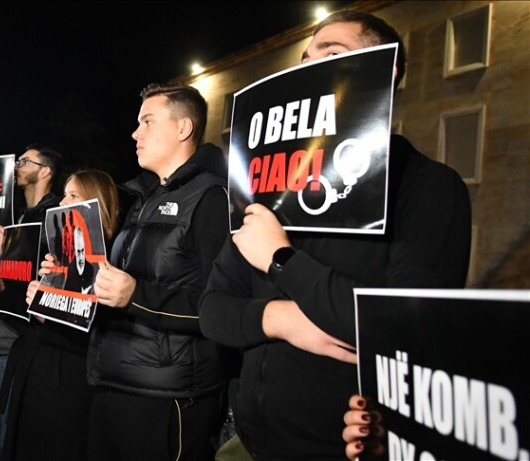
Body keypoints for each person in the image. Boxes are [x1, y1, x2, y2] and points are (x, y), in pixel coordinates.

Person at [198, 10, 472, 460]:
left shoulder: (427, 186)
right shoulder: (269, 192)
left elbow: (407, 332)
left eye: (332, 54)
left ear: (385, 73)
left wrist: (282, 260)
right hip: (246, 442)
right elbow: (212, 311)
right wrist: (282, 320)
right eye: (304, 59)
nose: (308, 68)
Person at [86, 83, 230, 461]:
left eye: (147, 121)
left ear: (184, 129)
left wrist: (136, 295)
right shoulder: (142, 201)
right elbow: (114, 287)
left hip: (169, 396)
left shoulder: (212, 199)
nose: (135, 133)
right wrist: (65, 284)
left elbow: (219, 307)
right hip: (111, 380)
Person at [0, 169, 119, 461]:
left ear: (96, 202)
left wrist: (46, 313)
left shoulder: (111, 260)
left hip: (65, 389)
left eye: (73, 195)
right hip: (32, 374)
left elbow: (96, 336)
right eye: (64, 194)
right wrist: (8, 294)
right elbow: (26, 322)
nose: (62, 202)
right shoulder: (55, 255)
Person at [0, 143, 62, 461]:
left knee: (8, 439)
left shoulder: (54, 218)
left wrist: (16, 251)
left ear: (45, 171)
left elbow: (49, 283)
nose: (17, 165)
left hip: (20, 343)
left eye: (25, 161)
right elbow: (2, 282)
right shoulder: (18, 218)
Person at [62, 225, 96, 294]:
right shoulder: (71, 268)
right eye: (78, 252)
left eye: (82, 251)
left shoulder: (89, 268)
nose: (81, 257)